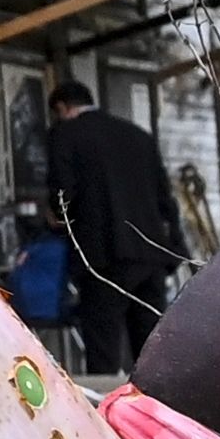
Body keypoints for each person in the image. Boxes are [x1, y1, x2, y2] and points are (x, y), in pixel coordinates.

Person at [34, 74, 190, 377]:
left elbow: (64, 193)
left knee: (103, 346)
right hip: (150, 253)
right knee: (151, 347)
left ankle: (107, 417)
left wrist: (55, 221)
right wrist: (174, 247)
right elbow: (165, 198)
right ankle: (156, 410)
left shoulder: (66, 135)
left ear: (62, 108)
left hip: (103, 255)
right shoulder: (138, 135)